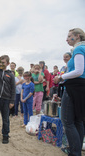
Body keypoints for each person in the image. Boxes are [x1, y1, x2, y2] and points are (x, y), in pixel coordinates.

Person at [54, 28, 85, 156]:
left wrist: (61, 77)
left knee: (67, 121)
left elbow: (78, 71)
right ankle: (76, 150)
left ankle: (75, 152)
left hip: (73, 88)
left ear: (77, 36)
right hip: (80, 88)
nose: (66, 39)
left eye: (69, 36)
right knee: (78, 120)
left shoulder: (79, 49)